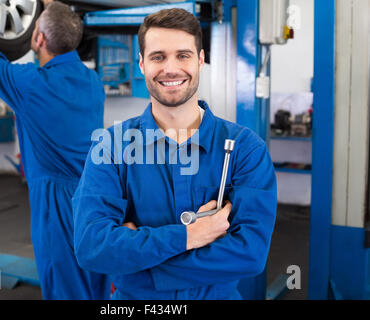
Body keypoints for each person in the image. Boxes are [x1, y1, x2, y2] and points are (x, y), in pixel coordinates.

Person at [72, 8, 277, 299]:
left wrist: (139, 263)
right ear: (142, 64)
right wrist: (190, 236)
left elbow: (250, 254)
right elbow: (92, 247)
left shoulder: (245, 149)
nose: (171, 68)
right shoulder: (112, 148)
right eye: (158, 57)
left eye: (183, 55)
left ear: (201, 60)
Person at [0, 0, 110, 299]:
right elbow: (64, 34)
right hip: (95, 198)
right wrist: (54, 10)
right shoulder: (92, 82)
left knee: (64, 284)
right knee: (95, 282)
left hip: (58, 206)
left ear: (38, 39)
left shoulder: (31, 85)